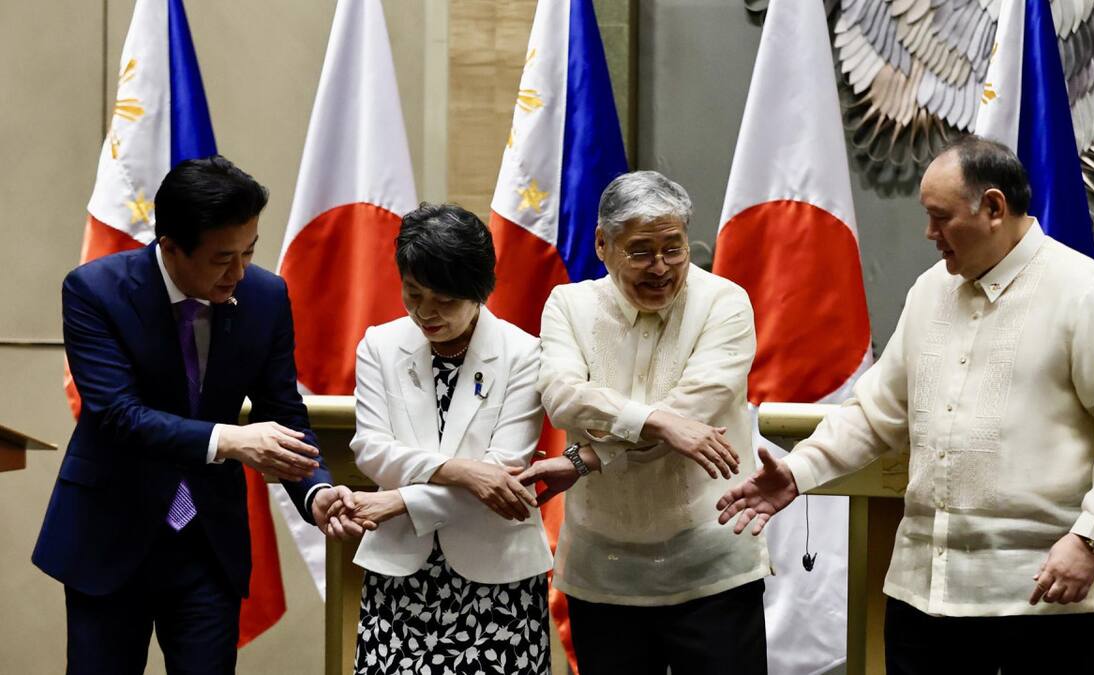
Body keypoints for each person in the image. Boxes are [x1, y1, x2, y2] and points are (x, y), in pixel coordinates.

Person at [717, 136, 1094, 674]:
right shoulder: (929, 291)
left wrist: (1091, 538)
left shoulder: (1087, 292)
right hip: (925, 593)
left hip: (1044, 590)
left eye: (941, 217)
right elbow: (876, 415)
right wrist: (797, 473)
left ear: (994, 208)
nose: (929, 233)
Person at [32, 155, 357, 674]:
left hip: (206, 542)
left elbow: (283, 409)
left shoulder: (265, 297)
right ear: (171, 247)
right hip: (111, 537)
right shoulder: (95, 291)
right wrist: (229, 440)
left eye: (249, 251)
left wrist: (315, 489)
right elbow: (118, 414)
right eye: (222, 258)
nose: (240, 271)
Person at [519, 171, 769, 675]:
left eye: (673, 248)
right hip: (603, 569)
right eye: (640, 251)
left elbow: (697, 407)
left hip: (711, 562)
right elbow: (563, 398)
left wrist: (590, 457)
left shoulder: (725, 301)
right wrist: (657, 421)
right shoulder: (569, 305)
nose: (660, 268)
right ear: (602, 244)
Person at [323, 203, 554, 675]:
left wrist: (399, 502)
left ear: (479, 292)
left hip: (498, 579)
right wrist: (463, 471)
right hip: (400, 577)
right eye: (413, 294)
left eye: (444, 300)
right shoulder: (380, 345)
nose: (425, 313)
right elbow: (372, 449)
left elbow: (504, 474)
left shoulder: (523, 353)